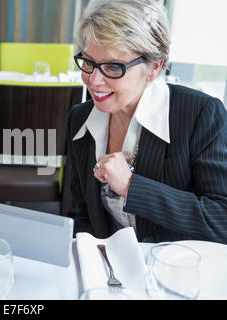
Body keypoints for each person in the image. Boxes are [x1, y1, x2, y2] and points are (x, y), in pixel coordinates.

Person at [65, 0, 227, 243]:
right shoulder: (79, 119)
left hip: (174, 269)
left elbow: (221, 218)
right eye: (88, 62)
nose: (93, 80)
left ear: (154, 67)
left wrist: (131, 187)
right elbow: (79, 213)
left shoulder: (201, 114)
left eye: (113, 66)